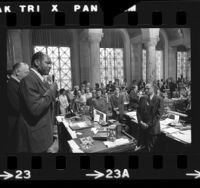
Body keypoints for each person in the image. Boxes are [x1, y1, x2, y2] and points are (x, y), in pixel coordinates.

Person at [19, 52, 58, 153]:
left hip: (45, 132)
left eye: (51, 63)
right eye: (47, 63)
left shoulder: (40, 79)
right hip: (36, 135)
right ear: (37, 62)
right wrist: (52, 90)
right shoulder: (28, 80)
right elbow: (36, 109)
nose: (50, 66)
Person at [7, 62, 29, 152]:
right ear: (17, 72)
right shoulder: (11, 86)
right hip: (14, 126)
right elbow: (17, 107)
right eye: (26, 72)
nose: (28, 75)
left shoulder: (16, 84)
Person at [137, 83, 164, 152]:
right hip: (142, 128)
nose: (146, 90)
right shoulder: (142, 98)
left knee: (151, 150)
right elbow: (138, 111)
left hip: (152, 129)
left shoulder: (159, 99)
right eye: (145, 88)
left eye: (148, 88)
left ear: (153, 89)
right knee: (143, 149)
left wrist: (148, 124)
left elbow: (158, 115)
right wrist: (140, 122)